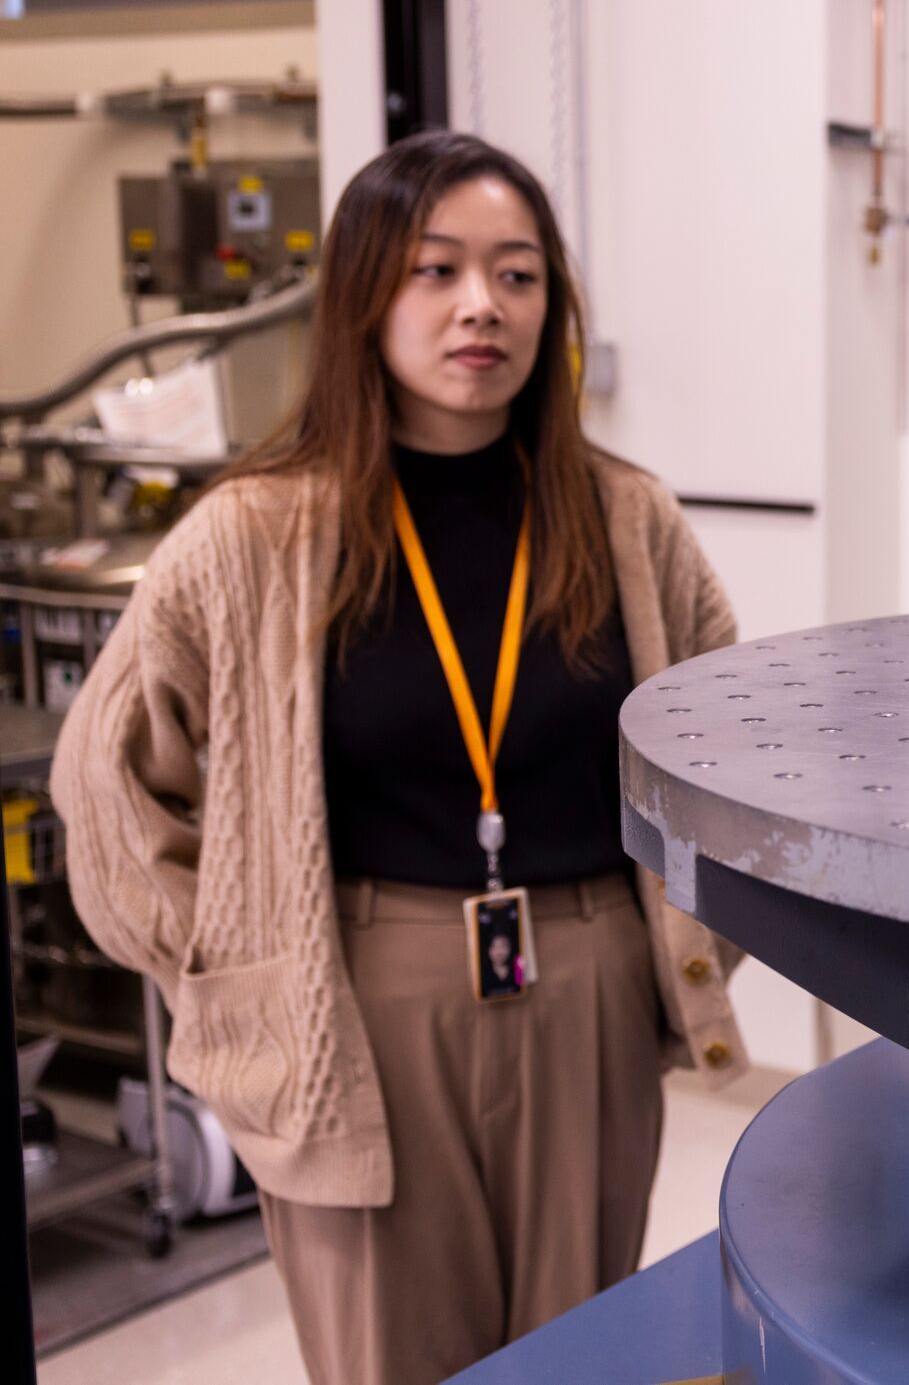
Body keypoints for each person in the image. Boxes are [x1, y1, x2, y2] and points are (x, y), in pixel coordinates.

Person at [52, 131, 753, 1385]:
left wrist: (690, 936)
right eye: (437, 270)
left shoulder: (624, 516)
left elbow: (732, 751)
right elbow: (108, 791)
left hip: (587, 984)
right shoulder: (252, 536)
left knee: (579, 1362)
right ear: (365, 294)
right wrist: (230, 968)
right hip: (353, 999)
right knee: (393, 1363)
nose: (483, 304)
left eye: (518, 274)